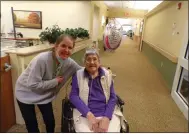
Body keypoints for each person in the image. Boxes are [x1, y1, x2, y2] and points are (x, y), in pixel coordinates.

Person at [15, 34, 82, 133]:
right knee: (32, 126)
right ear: (56, 46)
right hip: (25, 92)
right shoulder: (42, 59)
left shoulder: (69, 62)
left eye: (70, 47)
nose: (66, 50)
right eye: (63, 46)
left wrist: (98, 69)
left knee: (50, 121)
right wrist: (54, 82)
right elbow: (32, 85)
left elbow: (82, 71)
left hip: (44, 93)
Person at [69, 49, 124, 132]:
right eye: (88, 59)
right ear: (84, 63)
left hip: (106, 112)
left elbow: (113, 97)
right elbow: (73, 96)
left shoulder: (107, 75)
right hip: (84, 114)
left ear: (99, 62)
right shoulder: (78, 75)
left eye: (94, 59)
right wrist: (89, 115)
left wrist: (106, 117)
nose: (92, 62)